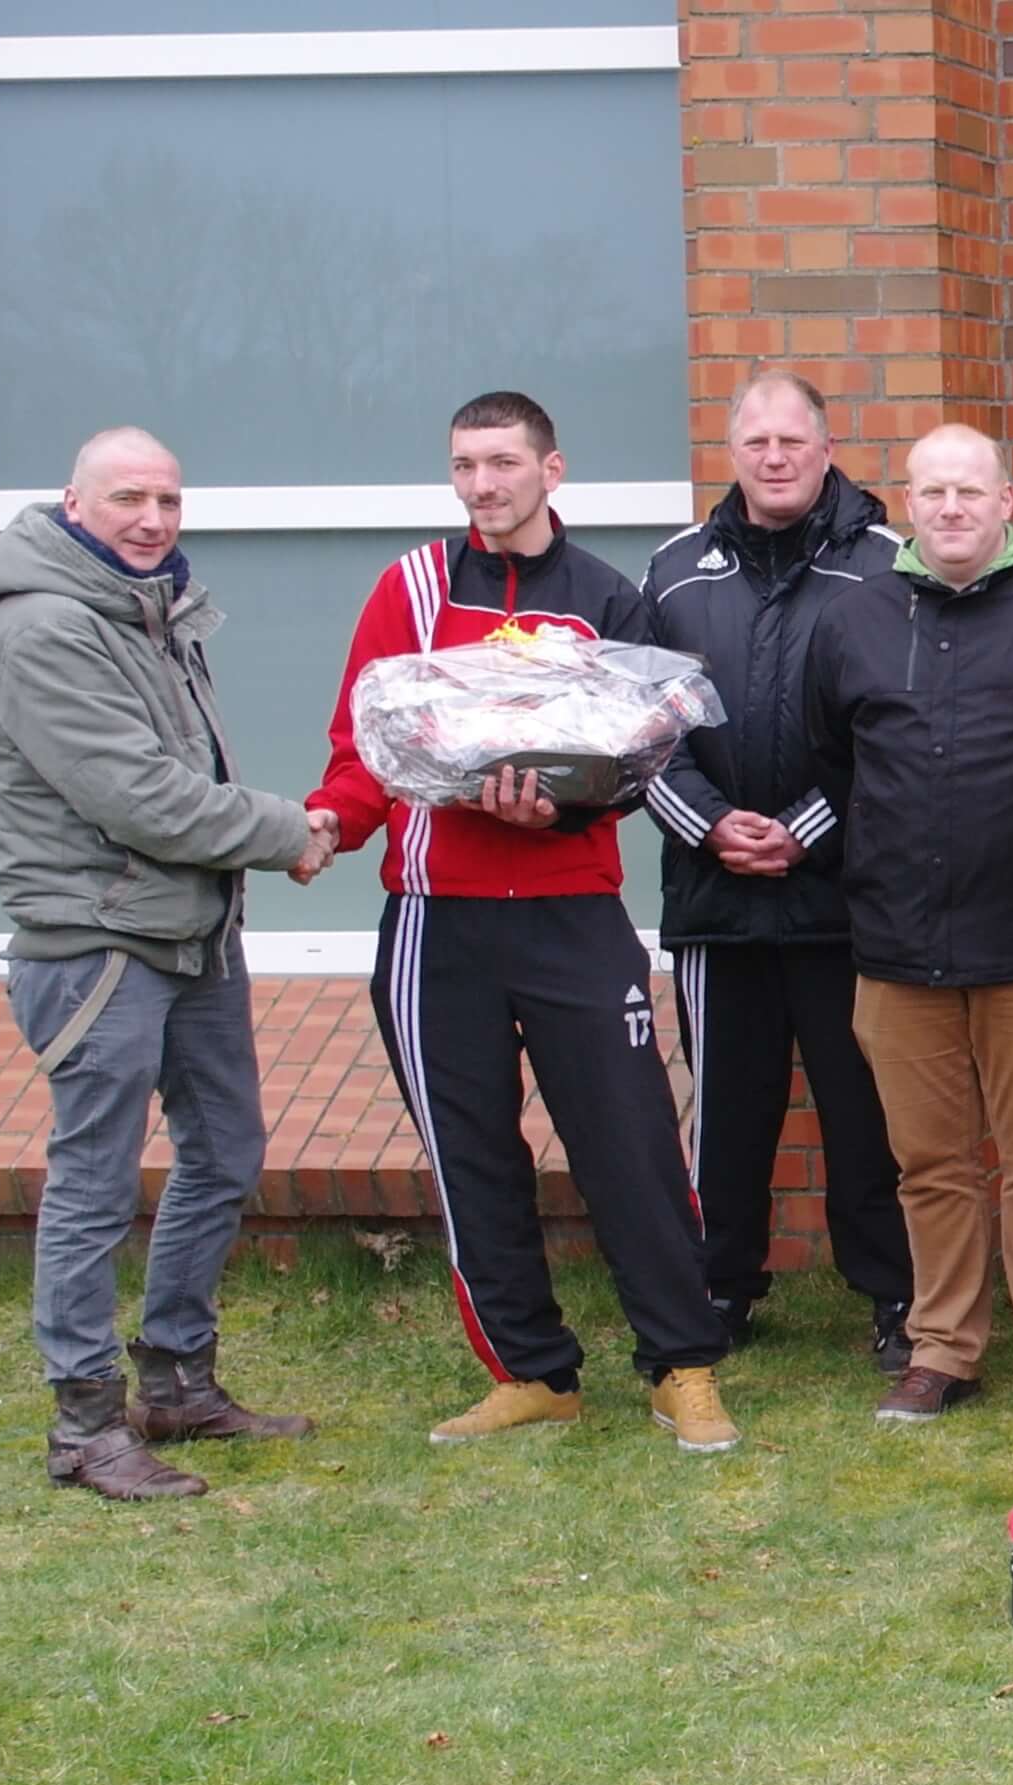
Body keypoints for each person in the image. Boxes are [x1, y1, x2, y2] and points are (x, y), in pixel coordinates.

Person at [309, 393, 736, 1453]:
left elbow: (641, 760)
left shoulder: (604, 601)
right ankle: (532, 1371)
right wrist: (334, 823)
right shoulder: (410, 587)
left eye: (502, 463)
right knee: (471, 1155)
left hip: (570, 914)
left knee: (629, 1141)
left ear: (553, 471)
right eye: (464, 465)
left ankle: (680, 1365)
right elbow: (364, 741)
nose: (481, 485)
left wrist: (567, 803)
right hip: (433, 923)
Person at [0, 427, 329, 1501]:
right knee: (93, 1179)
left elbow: (178, 775)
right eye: (128, 497)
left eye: (168, 499)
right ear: (73, 504)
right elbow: (137, 796)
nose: (152, 519)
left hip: (188, 933)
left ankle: (176, 1379)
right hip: (98, 945)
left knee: (224, 1149)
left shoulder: (151, 609)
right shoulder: (42, 629)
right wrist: (284, 829)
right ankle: (85, 1424)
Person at [802, 423, 1013, 1420]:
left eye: (968, 492)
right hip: (898, 952)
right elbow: (831, 768)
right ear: (908, 500)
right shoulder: (853, 621)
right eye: (931, 492)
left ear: (1006, 499)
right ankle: (943, 1347)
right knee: (930, 1165)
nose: (949, 509)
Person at [639, 369, 916, 1370]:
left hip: (844, 902)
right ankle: (722, 1288)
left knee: (865, 1110)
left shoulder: (889, 564)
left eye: (791, 440)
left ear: (826, 447)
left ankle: (894, 1297)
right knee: (726, 1110)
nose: (773, 457)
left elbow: (898, 728)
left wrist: (805, 826)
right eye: (754, 441)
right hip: (717, 900)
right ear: (732, 452)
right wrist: (714, 828)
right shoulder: (673, 573)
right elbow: (643, 737)